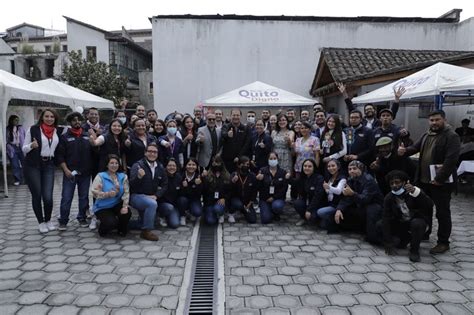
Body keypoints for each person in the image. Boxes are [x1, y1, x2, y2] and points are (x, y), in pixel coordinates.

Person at [398, 109, 460, 254]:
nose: (434, 123)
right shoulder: (427, 134)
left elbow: (451, 160)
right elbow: (415, 147)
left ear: (444, 120)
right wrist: (404, 151)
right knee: (423, 208)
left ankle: (443, 242)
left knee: (442, 212)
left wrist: (439, 179)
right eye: (432, 120)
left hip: (441, 182)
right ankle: (425, 232)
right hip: (424, 180)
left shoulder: (451, 136)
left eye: (437, 120)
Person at [378, 170, 434, 262]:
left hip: (417, 221)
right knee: (380, 224)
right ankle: (403, 240)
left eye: (397, 182)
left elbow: (429, 204)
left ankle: (414, 250)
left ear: (404, 182)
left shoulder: (414, 192)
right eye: (392, 183)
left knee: (417, 224)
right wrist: (388, 242)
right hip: (402, 223)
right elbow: (386, 218)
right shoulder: (389, 197)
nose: (394, 186)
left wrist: (416, 192)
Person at [22, 109, 60, 233]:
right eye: (47, 116)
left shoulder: (56, 131)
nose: (49, 119)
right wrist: (31, 146)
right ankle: (41, 222)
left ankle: (48, 220)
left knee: (48, 197)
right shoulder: (33, 129)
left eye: (52, 117)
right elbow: (24, 148)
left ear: (55, 118)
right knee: (37, 195)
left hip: (48, 164)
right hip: (33, 165)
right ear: (42, 117)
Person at [56, 112, 92, 230]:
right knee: (66, 197)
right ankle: (63, 220)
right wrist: (66, 170)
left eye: (79, 120)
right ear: (70, 122)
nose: (77, 122)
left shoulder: (87, 135)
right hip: (70, 173)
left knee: (84, 197)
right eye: (74, 120)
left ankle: (82, 218)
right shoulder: (64, 137)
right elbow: (60, 156)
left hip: (85, 174)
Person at [333, 160, 383, 243]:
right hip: (361, 204)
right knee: (342, 212)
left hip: (374, 205)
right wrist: (339, 209)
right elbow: (346, 198)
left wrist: (353, 194)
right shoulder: (351, 179)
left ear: (361, 169)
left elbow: (365, 199)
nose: (351, 171)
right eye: (349, 169)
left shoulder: (368, 180)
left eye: (354, 168)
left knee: (372, 234)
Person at [129, 143, 167, 241]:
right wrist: (139, 177)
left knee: (151, 220)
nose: (152, 154)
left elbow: (164, 184)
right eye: (150, 151)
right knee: (152, 204)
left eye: (154, 152)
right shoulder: (137, 165)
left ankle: (120, 224)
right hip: (136, 196)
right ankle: (146, 231)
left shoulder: (160, 167)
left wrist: (157, 195)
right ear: (145, 153)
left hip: (151, 197)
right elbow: (131, 185)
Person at [91, 154, 131, 237]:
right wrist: (107, 194)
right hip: (102, 207)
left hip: (116, 204)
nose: (114, 165)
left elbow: (126, 192)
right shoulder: (100, 176)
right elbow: (94, 192)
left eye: (116, 163)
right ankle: (102, 230)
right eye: (111, 163)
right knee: (111, 223)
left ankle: (121, 230)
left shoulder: (123, 177)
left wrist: (125, 206)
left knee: (126, 213)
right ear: (107, 164)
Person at [338, 82, 403, 129]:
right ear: (364, 112)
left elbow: (392, 114)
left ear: (374, 110)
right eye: (366, 110)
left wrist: (396, 99)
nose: (369, 111)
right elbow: (351, 108)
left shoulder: (379, 121)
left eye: (370, 109)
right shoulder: (361, 121)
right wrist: (344, 94)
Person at [256, 152, 289, 224]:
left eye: (274, 158)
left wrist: (274, 197)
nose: (273, 160)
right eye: (271, 158)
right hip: (265, 198)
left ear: (277, 159)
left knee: (277, 206)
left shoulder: (283, 172)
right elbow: (258, 188)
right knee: (265, 220)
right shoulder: (262, 170)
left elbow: (284, 189)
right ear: (268, 160)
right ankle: (269, 210)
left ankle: (276, 212)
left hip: (277, 198)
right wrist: (258, 180)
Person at [316, 159, 347, 232]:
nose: (331, 168)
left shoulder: (342, 179)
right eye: (329, 166)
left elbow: (339, 191)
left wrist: (329, 187)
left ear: (338, 167)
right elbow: (328, 192)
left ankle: (334, 218)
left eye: (333, 166)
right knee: (322, 225)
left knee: (320, 212)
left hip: (336, 205)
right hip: (330, 203)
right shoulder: (330, 178)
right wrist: (325, 188)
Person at [293, 159, 325, 226]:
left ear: (314, 168)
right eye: (305, 166)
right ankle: (304, 218)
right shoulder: (302, 178)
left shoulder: (319, 178)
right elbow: (293, 183)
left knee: (313, 219)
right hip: (307, 202)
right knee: (297, 203)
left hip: (318, 204)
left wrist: (309, 210)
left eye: (310, 166)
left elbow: (317, 196)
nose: (307, 168)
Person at [202, 156, 231, 224]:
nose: (216, 164)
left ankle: (221, 213)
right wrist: (203, 178)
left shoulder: (226, 175)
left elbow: (230, 190)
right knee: (210, 221)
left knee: (217, 209)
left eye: (218, 162)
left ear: (221, 163)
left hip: (220, 201)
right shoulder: (208, 175)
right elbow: (204, 190)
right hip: (210, 202)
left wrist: (225, 198)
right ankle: (211, 213)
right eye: (214, 163)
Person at [229, 156, 257, 223]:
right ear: (239, 165)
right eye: (244, 164)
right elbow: (229, 190)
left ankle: (243, 211)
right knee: (238, 205)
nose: (246, 166)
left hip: (247, 202)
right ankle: (231, 213)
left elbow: (254, 190)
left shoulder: (252, 176)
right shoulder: (234, 174)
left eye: (248, 164)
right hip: (236, 199)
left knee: (252, 220)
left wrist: (250, 203)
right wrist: (233, 182)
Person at [177, 158, 203, 225]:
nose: (191, 166)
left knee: (198, 212)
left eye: (193, 165)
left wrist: (198, 186)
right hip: (183, 199)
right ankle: (182, 215)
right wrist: (183, 187)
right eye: (189, 164)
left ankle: (190, 212)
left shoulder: (199, 177)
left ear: (197, 166)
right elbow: (178, 193)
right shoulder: (180, 175)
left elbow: (199, 194)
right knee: (182, 200)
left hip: (194, 199)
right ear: (185, 165)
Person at [157, 159, 182, 229]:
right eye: (169, 165)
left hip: (173, 205)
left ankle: (171, 216)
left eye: (174, 166)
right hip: (163, 204)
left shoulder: (179, 177)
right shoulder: (161, 177)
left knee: (175, 224)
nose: (172, 167)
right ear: (166, 167)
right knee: (169, 207)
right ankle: (161, 216)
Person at [6, 115, 25, 185]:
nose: (17, 121)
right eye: (15, 120)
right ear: (11, 120)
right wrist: (8, 147)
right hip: (12, 147)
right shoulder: (7, 129)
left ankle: (25, 179)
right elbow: (5, 140)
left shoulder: (21, 128)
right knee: (15, 165)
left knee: (25, 164)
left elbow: (25, 137)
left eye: (17, 120)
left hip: (21, 147)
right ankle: (17, 179)